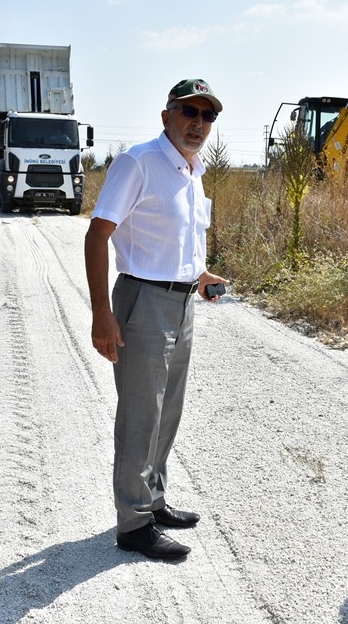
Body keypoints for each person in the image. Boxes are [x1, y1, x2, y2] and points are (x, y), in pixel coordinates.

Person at [84, 78, 228, 560]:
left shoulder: (192, 170)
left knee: (167, 413)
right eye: (189, 111)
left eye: (208, 116)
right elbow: (98, 234)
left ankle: (154, 500)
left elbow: (177, 242)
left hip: (183, 302)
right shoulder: (139, 162)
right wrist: (102, 313)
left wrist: (201, 275)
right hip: (142, 302)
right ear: (166, 115)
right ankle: (133, 524)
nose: (198, 123)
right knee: (140, 417)